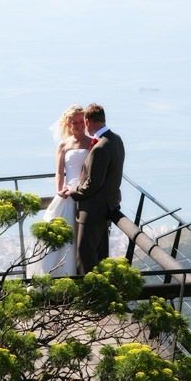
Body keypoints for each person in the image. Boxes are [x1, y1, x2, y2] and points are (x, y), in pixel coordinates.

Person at [28, 105, 92, 277]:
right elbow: (59, 171)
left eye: (82, 121)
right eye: (75, 122)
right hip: (67, 194)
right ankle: (54, 274)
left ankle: (75, 273)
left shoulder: (92, 143)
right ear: (69, 124)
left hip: (85, 193)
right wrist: (60, 189)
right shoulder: (63, 145)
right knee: (59, 232)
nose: (80, 125)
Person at [64, 103, 125, 275]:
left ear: (88, 121)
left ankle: (90, 295)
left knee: (85, 254)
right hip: (108, 206)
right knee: (101, 255)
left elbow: (93, 183)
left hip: (92, 210)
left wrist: (73, 192)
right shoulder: (116, 140)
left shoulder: (99, 147)